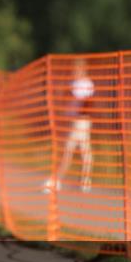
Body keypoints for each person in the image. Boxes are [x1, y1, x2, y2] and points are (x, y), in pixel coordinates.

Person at [46, 59, 95, 193]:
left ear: (83, 69)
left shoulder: (86, 84)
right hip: (75, 121)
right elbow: (69, 104)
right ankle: (85, 181)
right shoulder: (74, 83)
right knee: (83, 151)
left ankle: (57, 181)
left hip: (81, 121)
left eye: (77, 69)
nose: (74, 71)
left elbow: (81, 103)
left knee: (70, 149)